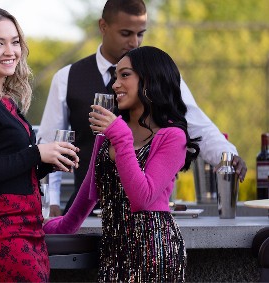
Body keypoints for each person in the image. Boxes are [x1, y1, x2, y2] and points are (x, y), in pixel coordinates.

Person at [37, 0, 248, 217]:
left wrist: (227, 156)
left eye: (140, 34)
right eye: (126, 33)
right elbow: (52, 143)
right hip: (86, 208)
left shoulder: (158, 77)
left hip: (145, 214)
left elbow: (196, 125)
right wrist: (51, 203)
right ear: (103, 26)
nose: (134, 42)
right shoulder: (66, 78)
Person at [44, 45, 199, 282]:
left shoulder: (172, 136)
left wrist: (120, 135)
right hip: (114, 253)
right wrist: (56, 228)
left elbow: (142, 197)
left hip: (155, 252)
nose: (115, 84)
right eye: (115, 76)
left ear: (149, 80)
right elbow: (89, 190)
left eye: (125, 75)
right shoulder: (110, 133)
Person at [0, 6, 79, 282]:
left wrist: (48, 162)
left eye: (15, 41)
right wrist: (36, 153)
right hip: (2, 231)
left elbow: (10, 168)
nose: (10, 51)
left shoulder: (4, 100)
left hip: (28, 226)